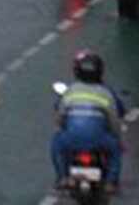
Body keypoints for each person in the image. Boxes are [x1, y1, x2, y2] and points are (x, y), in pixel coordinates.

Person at [52, 51, 124, 194]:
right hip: (99, 139)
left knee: (56, 145)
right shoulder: (105, 93)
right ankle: (110, 182)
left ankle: (63, 177)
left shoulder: (70, 91)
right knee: (116, 151)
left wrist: (60, 129)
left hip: (71, 139)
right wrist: (117, 138)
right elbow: (114, 120)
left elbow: (59, 117)